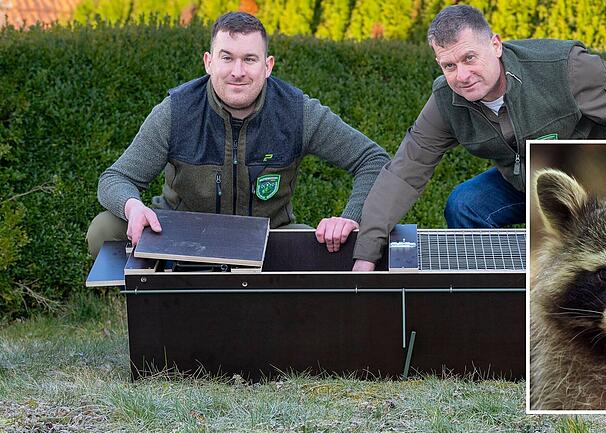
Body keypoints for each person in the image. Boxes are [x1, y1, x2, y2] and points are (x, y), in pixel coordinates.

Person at [351, 5, 606, 271]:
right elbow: (406, 171)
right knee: (465, 205)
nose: (462, 75)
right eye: (449, 65)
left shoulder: (564, 68)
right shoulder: (446, 101)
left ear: (495, 45)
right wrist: (366, 253)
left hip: (592, 180)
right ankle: (491, 295)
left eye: (470, 58)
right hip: (522, 182)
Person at [87, 12, 390, 257]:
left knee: (317, 245)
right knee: (104, 228)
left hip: (267, 239)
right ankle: (153, 310)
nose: (237, 71)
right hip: (180, 239)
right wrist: (134, 206)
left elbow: (374, 160)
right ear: (209, 62)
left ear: (268, 66)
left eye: (249, 59)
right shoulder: (175, 111)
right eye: (227, 57)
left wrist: (350, 218)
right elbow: (115, 179)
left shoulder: (299, 112)